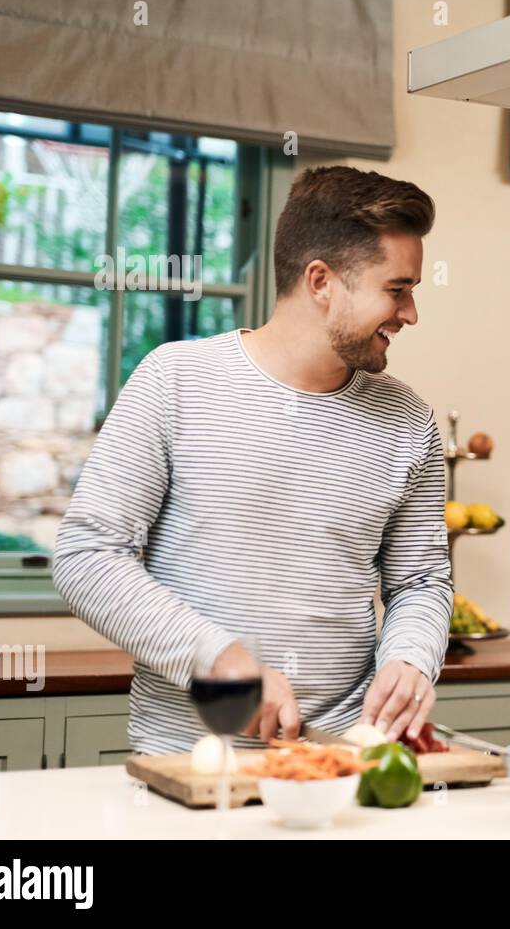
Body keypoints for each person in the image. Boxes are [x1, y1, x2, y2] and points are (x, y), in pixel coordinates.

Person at [54, 166, 452, 754]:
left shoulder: (409, 422)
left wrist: (410, 658)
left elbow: (421, 581)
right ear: (322, 281)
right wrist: (218, 659)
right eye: (397, 289)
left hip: (341, 764)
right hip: (190, 765)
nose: (411, 313)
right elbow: (86, 555)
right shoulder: (175, 381)